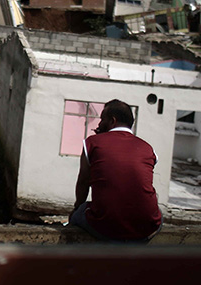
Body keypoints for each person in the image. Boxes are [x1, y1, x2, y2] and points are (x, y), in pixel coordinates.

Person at [69, 99, 162, 243]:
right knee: (157, 213)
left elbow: (83, 182)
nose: (99, 124)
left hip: (106, 225)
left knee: (79, 213)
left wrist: (77, 208)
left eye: (102, 119)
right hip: (146, 226)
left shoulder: (92, 143)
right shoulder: (148, 149)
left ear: (112, 121)